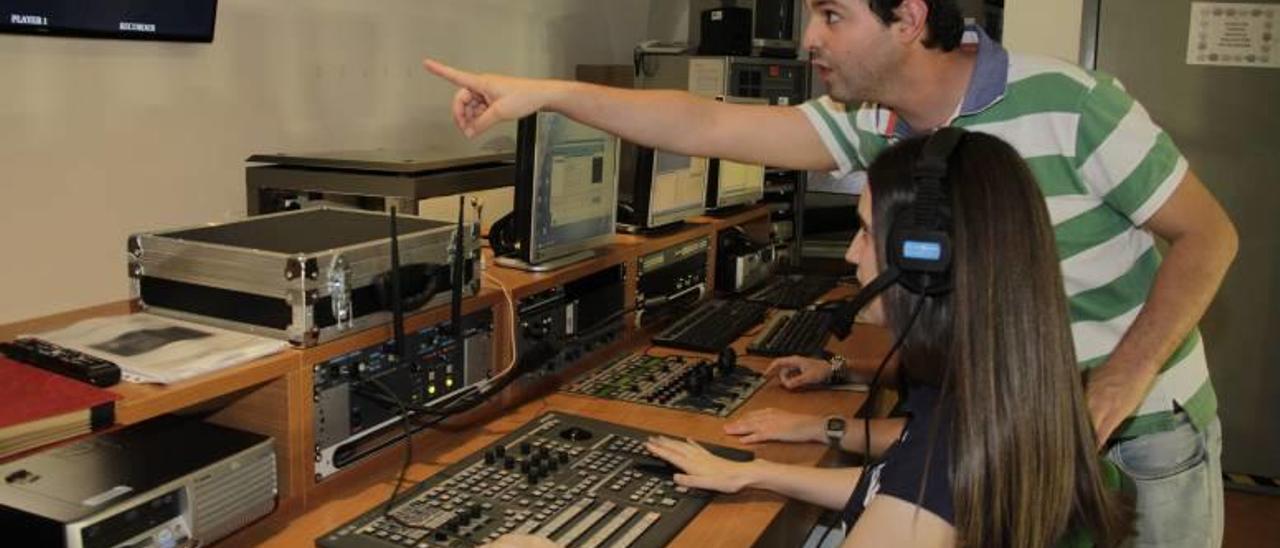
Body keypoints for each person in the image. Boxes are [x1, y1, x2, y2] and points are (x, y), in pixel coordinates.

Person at [424, 1, 1237, 544]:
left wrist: (1117, 384)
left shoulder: (1073, 100)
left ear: (908, 18)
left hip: (1142, 421)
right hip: (1004, 410)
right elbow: (705, 121)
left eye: (832, 14)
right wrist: (546, 95)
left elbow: (1209, 237)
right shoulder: (876, 122)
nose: (808, 35)